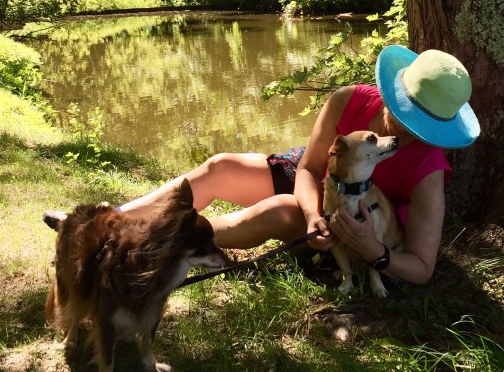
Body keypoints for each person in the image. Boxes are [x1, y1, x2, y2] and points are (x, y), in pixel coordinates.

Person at [118, 45, 481, 286]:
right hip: (314, 184)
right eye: (403, 109)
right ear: (395, 89)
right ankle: (115, 221)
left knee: (276, 210)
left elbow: (421, 268)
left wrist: (372, 250)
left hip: (350, 216)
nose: (403, 127)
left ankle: (155, 241)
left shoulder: (428, 170)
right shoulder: (350, 99)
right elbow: (308, 168)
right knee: (222, 167)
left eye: (419, 124)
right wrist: (311, 215)